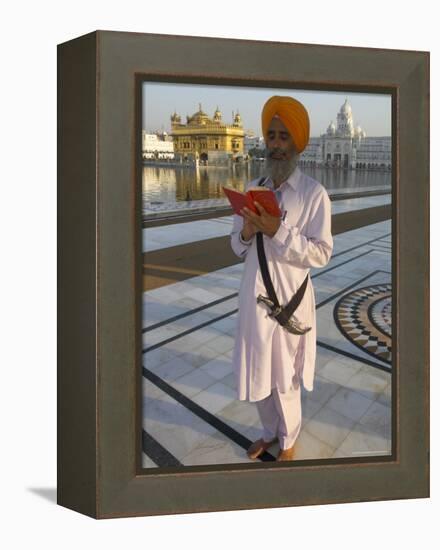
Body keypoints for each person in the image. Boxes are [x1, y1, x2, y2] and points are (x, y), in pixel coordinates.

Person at [230, 95, 333, 461]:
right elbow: (237, 248)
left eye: (283, 136)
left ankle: (288, 441)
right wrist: (245, 231)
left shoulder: (314, 195)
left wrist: (278, 230)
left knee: (286, 379)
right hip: (254, 300)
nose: (275, 144)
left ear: (297, 143)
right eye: (271, 136)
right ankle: (268, 432)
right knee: (259, 374)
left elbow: (321, 252)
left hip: (290, 303)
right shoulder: (253, 188)